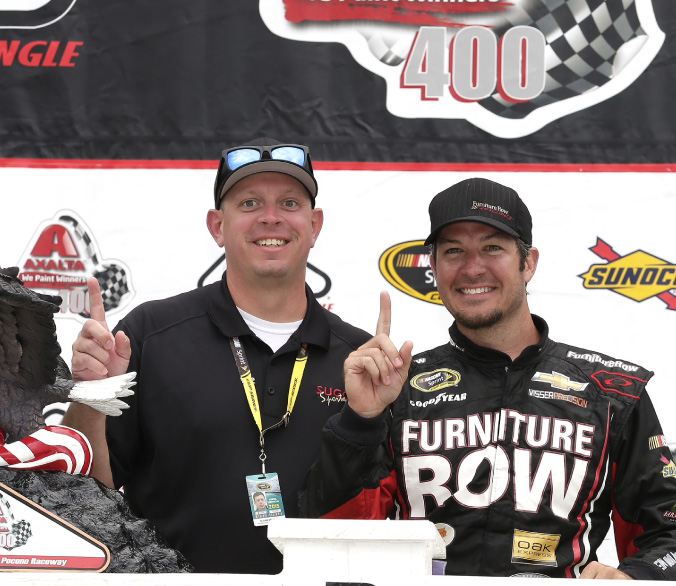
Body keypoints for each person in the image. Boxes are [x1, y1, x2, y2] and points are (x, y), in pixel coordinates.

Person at [300, 177, 676, 580]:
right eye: (453, 251)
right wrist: (361, 421)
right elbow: (330, 539)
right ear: (434, 267)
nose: (472, 267)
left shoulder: (612, 393)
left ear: (528, 262)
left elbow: (667, 536)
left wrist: (635, 578)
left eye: (492, 247)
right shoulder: (398, 389)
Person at [62, 137, 371, 574]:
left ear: (315, 225)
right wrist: (91, 396)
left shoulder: (359, 359)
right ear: (217, 226)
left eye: (289, 202)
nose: (270, 218)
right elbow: (84, 493)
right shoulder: (149, 334)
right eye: (248, 203)